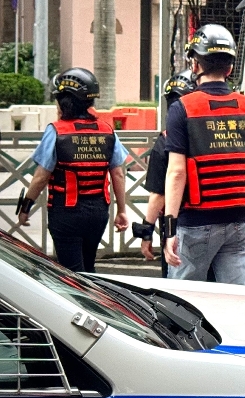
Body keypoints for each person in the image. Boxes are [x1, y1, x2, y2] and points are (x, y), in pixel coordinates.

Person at [163, 24, 245, 284]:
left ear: (195, 65)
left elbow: (177, 172)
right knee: (238, 300)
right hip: (242, 223)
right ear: (230, 68)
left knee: (184, 299)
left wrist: (169, 229)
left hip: (196, 222)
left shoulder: (182, 109)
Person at [16, 68, 129, 272]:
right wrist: (122, 210)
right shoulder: (107, 130)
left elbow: (41, 177)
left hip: (66, 213)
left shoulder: (56, 131)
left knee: (71, 273)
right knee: (88, 268)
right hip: (98, 212)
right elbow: (118, 173)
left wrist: (26, 207)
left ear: (64, 101)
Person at [135, 70, 195, 274]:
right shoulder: (211, 133)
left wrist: (147, 232)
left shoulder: (166, 141)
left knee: (179, 283)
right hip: (220, 220)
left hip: (180, 224)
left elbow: (159, 195)